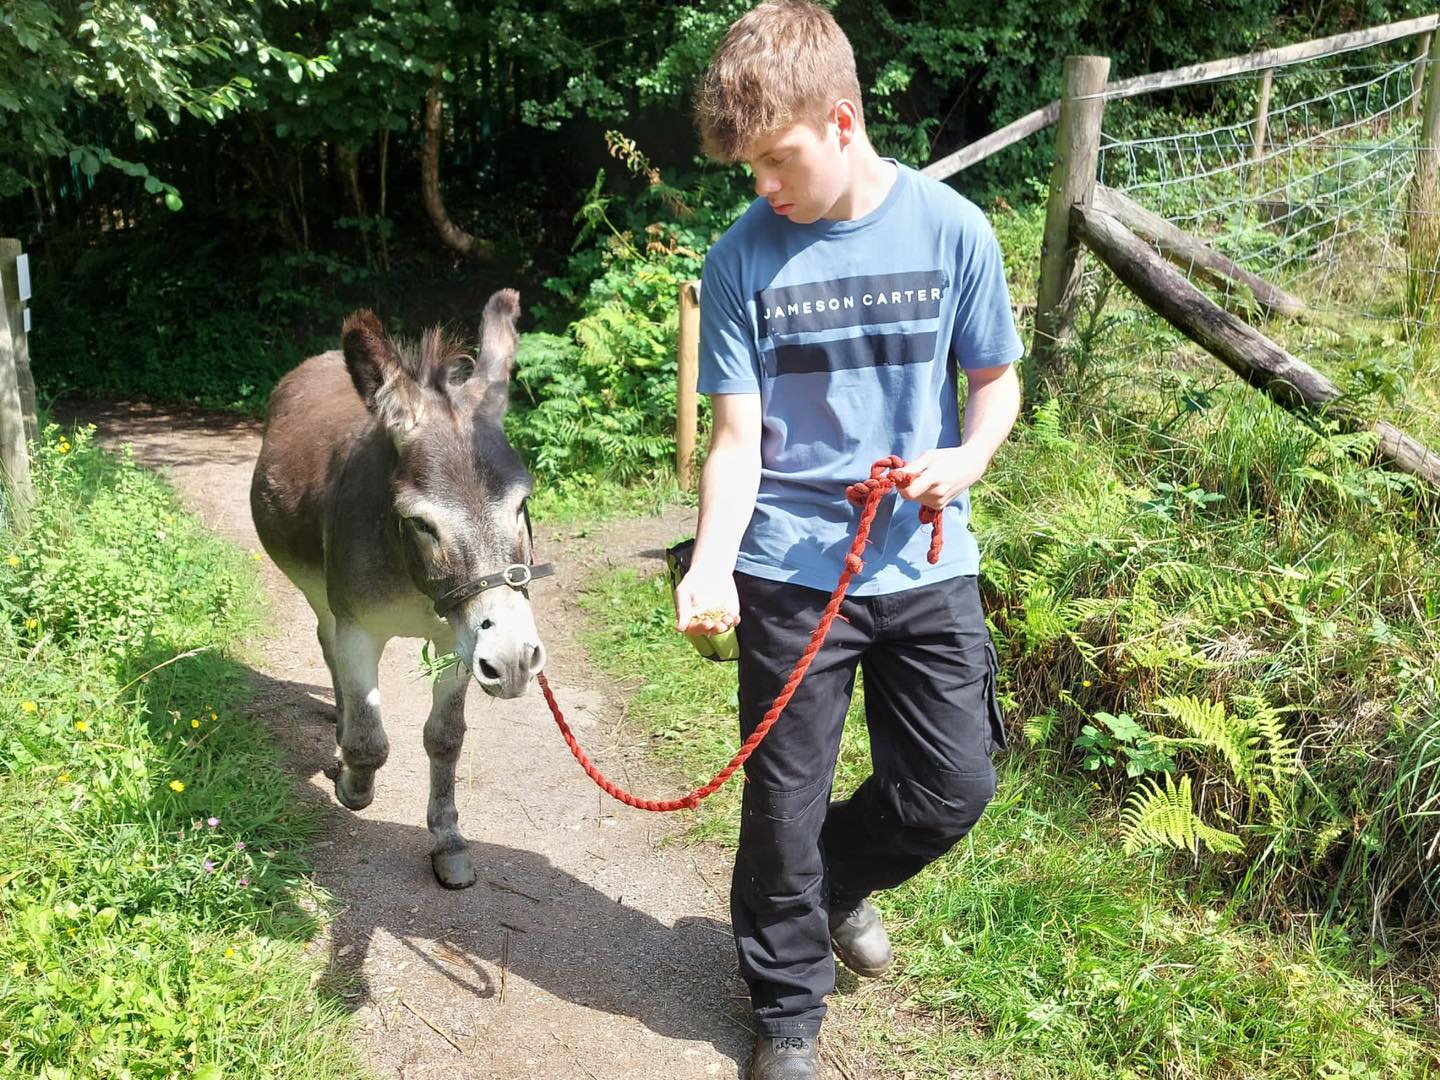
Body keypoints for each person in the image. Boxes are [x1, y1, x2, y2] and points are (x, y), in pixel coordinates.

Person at [672, 2, 1024, 1077]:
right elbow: (735, 443)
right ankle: (786, 1014)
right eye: (747, 168)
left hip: (923, 557)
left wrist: (965, 460)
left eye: (776, 160)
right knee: (781, 806)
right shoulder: (740, 261)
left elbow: (996, 384)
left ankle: (834, 886)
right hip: (788, 568)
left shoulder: (955, 230)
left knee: (954, 783)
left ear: (841, 119)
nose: (762, 187)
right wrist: (710, 560)